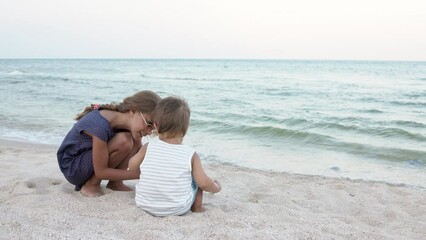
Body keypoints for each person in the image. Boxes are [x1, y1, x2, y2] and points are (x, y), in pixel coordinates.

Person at [128, 96, 222, 216]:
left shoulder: (148, 147)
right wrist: (216, 187)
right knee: (196, 178)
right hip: (177, 208)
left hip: (144, 204)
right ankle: (197, 208)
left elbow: (131, 166)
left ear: (156, 126)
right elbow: (203, 183)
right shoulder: (191, 154)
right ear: (186, 128)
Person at [57, 90, 161, 197]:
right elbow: (101, 172)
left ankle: (115, 183)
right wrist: (139, 174)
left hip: (88, 159)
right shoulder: (100, 125)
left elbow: (138, 154)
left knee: (132, 139)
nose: (149, 131)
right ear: (133, 110)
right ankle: (91, 185)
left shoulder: (130, 126)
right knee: (124, 140)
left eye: (153, 128)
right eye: (149, 123)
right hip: (73, 167)